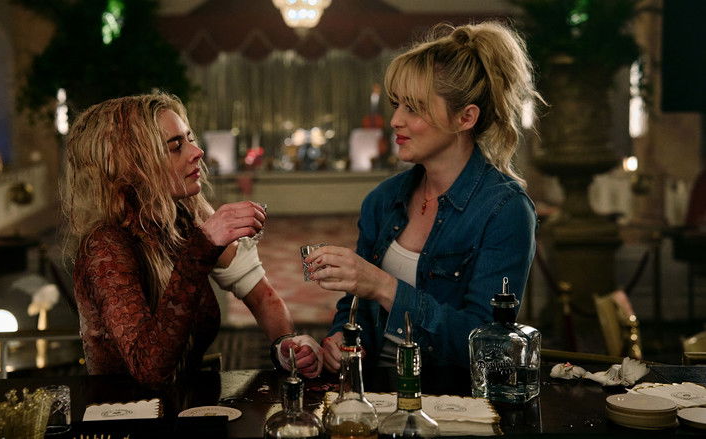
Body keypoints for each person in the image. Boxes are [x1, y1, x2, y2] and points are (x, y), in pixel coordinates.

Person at [308, 22, 541, 374]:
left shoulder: (505, 210)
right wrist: (343, 340)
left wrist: (384, 286)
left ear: (465, 117)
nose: (395, 120)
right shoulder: (382, 200)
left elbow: (488, 349)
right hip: (373, 392)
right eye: (396, 104)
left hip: (449, 398)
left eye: (414, 108)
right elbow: (355, 308)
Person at [63, 93, 321, 385]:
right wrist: (203, 246)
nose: (197, 152)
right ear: (132, 165)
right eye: (175, 147)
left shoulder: (181, 218)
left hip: (186, 405)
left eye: (190, 139)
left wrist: (287, 347)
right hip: (130, 412)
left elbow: (262, 296)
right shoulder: (105, 247)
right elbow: (150, 371)